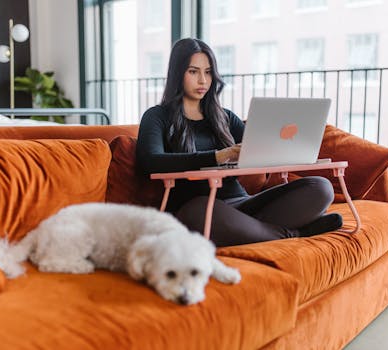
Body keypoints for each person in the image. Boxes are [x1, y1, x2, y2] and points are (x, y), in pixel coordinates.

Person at [136, 38, 342, 247]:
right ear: (177, 74)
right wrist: (219, 156)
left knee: (321, 187)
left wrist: (286, 148)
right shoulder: (156, 116)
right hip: (197, 209)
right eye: (193, 71)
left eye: (208, 72)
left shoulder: (224, 117)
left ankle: (252, 230)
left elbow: (258, 150)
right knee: (202, 210)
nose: (203, 81)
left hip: (242, 204)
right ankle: (295, 233)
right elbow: (151, 161)